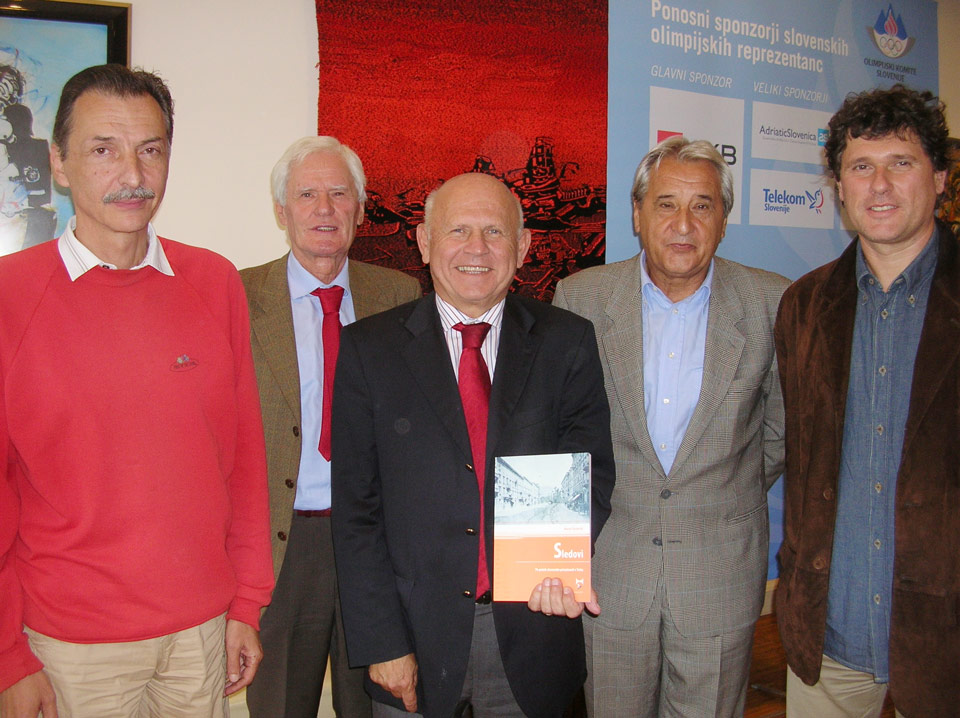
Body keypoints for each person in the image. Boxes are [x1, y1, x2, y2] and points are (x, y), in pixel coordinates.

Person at [0, 64, 273, 718]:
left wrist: (247, 603)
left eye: (151, 150)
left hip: (201, 635)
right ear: (59, 162)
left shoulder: (213, 282)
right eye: (103, 150)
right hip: (71, 647)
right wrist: (8, 655)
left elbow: (244, 461)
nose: (133, 174)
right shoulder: (11, 295)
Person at [331, 172, 615, 718]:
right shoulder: (369, 349)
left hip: (533, 630)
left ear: (523, 246)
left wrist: (561, 562)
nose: (477, 249)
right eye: (458, 230)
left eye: (494, 232)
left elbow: (594, 472)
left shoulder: (568, 341)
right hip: (412, 634)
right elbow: (356, 511)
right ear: (424, 241)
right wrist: (383, 642)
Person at [553, 136, 787, 718]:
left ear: (724, 220)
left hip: (719, 572)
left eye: (702, 205)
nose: (684, 224)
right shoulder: (580, 298)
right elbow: (558, 435)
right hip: (612, 571)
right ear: (637, 214)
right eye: (665, 204)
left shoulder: (771, 302)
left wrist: (716, 495)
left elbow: (780, 433)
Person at [774, 84, 958, 717]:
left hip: (946, 643)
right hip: (829, 638)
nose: (879, 185)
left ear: (939, 177)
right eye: (860, 166)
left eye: (900, 162)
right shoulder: (802, 306)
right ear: (839, 186)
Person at [241, 136, 421, 718]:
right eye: (307, 195)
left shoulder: (398, 295)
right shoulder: (239, 296)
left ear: (360, 211)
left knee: (375, 704)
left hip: (375, 538)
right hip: (283, 542)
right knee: (280, 704)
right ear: (281, 211)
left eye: (340, 194)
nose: (324, 208)